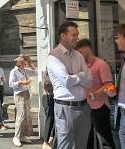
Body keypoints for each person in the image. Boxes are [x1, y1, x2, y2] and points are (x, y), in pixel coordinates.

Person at [47, 21, 92, 149]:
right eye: (74, 35)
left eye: (77, 34)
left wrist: (75, 76)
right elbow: (66, 81)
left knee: (81, 145)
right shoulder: (54, 56)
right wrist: (81, 75)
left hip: (83, 107)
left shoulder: (78, 55)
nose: (77, 38)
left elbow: (89, 80)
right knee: (65, 145)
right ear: (63, 36)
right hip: (65, 108)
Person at [75, 39, 116, 149]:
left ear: (88, 49)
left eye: (80, 52)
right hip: (85, 108)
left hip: (100, 108)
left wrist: (93, 95)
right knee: (87, 138)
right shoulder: (82, 66)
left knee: (104, 139)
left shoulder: (101, 64)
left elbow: (109, 85)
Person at [9, 55, 37, 147]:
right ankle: (16, 137)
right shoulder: (14, 71)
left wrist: (30, 63)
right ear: (19, 62)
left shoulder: (25, 70)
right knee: (20, 115)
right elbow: (11, 84)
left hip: (27, 93)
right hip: (19, 95)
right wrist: (21, 82)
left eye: (26, 62)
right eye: (24, 62)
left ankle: (22, 136)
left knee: (26, 115)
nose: (25, 63)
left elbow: (35, 72)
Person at [42, 67, 55, 149]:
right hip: (48, 97)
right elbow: (46, 84)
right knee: (49, 119)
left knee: (54, 119)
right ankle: (45, 142)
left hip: (54, 97)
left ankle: (51, 138)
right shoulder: (49, 70)